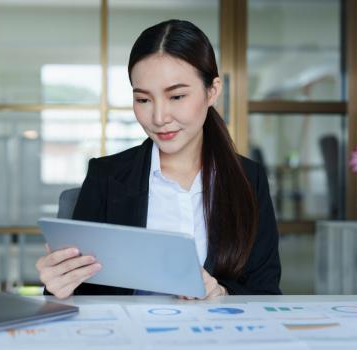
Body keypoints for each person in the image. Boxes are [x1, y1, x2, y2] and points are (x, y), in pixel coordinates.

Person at [36, 19, 281, 299]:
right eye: (143, 100)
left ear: (212, 91)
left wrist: (222, 293)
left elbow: (265, 290)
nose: (159, 118)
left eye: (176, 96)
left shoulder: (249, 178)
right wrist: (57, 285)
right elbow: (81, 295)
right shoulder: (105, 176)